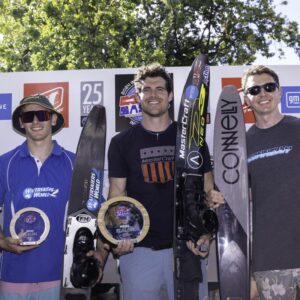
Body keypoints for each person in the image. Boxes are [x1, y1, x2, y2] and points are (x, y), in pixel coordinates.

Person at [102, 63, 223, 300]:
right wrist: (116, 236)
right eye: (146, 90)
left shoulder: (192, 139)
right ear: (138, 97)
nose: (153, 94)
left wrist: (206, 234)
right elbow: (117, 194)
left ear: (169, 96)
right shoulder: (121, 143)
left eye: (159, 89)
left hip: (187, 250)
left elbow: (209, 189)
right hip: (138, 253)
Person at [0, 95, 76, 299]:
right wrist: (2, 242)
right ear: (21, 122)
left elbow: (92, 214)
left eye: (41, 114)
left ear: (52, 118)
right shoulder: (4, 163)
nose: (35, 121)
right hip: (13, 275)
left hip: (60, 274)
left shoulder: (74, 163)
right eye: (28, 116)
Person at [242, 65, 300, 299]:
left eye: (269, 87)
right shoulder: (240, 146)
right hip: (270, 258)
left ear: (280, 92)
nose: (262, 93)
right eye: (254, 90)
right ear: (247, 99)